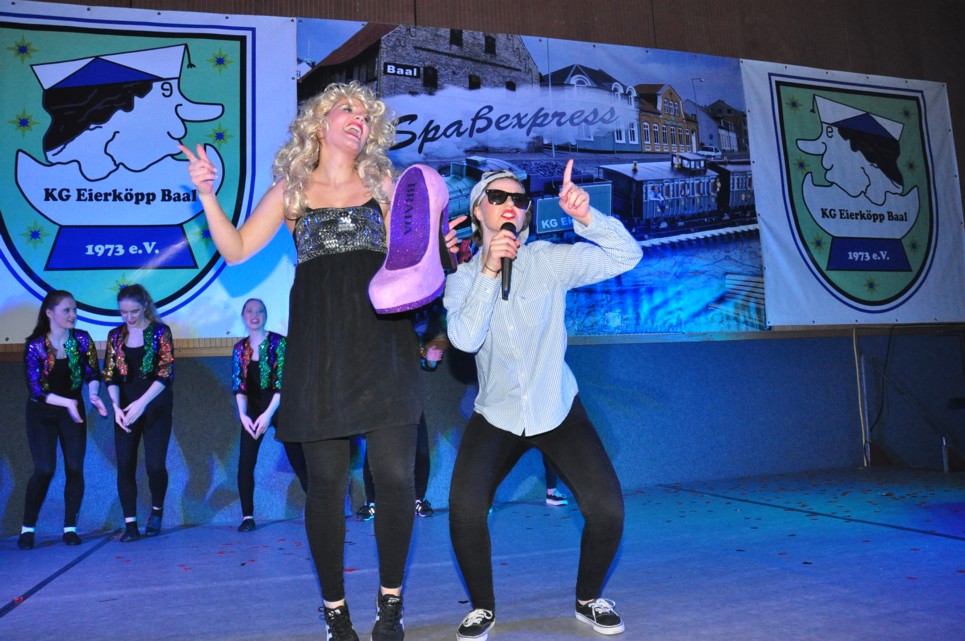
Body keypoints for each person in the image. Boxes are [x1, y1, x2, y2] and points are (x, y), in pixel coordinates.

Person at [179, 81, 462, 641]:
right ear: (319, 123)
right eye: (346, 109)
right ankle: (336, 613)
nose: (358, 118)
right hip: (319, 355)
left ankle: (390, 604)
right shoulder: (292, 190)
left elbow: (422, 260)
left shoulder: (386, 185)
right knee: (327, 485)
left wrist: (445, 249)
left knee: (395, 477)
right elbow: (235, 249)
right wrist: (207, 194)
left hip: (384, 348)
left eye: (366, 114)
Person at [444, 160, 642, 640]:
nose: (510, 205)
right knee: (465, 512)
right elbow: (465, 340)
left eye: (519, 199)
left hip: (557, 407)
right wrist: (488, 269)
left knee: (608, 510)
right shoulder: (462, 279)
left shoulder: (548, 260)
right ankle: (483, 608)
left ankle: (587, 599)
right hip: (497, 413)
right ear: (478, 212)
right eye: (498, 198)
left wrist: (587, 217)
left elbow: (627, 255)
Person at [19, 291, 108, 550]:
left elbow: (93, 373)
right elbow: (37, 389)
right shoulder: (36, 345)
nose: (73, 315)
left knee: (74, 467)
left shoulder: (81, 339)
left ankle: (70, 528)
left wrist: (93, 395)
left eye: (74, 310)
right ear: (49, 313)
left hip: (72, 411)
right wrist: (68, 402)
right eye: (67, 310)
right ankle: (27, 528)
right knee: (44, 469)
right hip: (42, 412)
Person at [103, 284, 175, 542]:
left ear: (145, 306)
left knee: (155, 465)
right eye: (123, 312)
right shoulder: (115, 336)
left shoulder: (160, 332)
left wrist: (141, 403)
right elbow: (110, 374)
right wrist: (116, 407)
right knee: (125, 465)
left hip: (155, 406)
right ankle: (130, 524)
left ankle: (156, 510)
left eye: (134, 311)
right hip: (125, 409)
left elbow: (166, 373)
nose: (129, 317)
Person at [231, 298, 308, 532]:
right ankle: (247, 517)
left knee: (298, 459)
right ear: (243, 316)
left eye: (260, 311)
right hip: (253, 410)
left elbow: (282, 383)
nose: (254, 316)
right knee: (246, 463)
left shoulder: (278, 343)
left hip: (280, 406)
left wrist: (268, 415)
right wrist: (243, 415)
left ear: (265, 315)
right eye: (250, 311)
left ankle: (319, 507)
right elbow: (239, 385)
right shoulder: (240, 348)